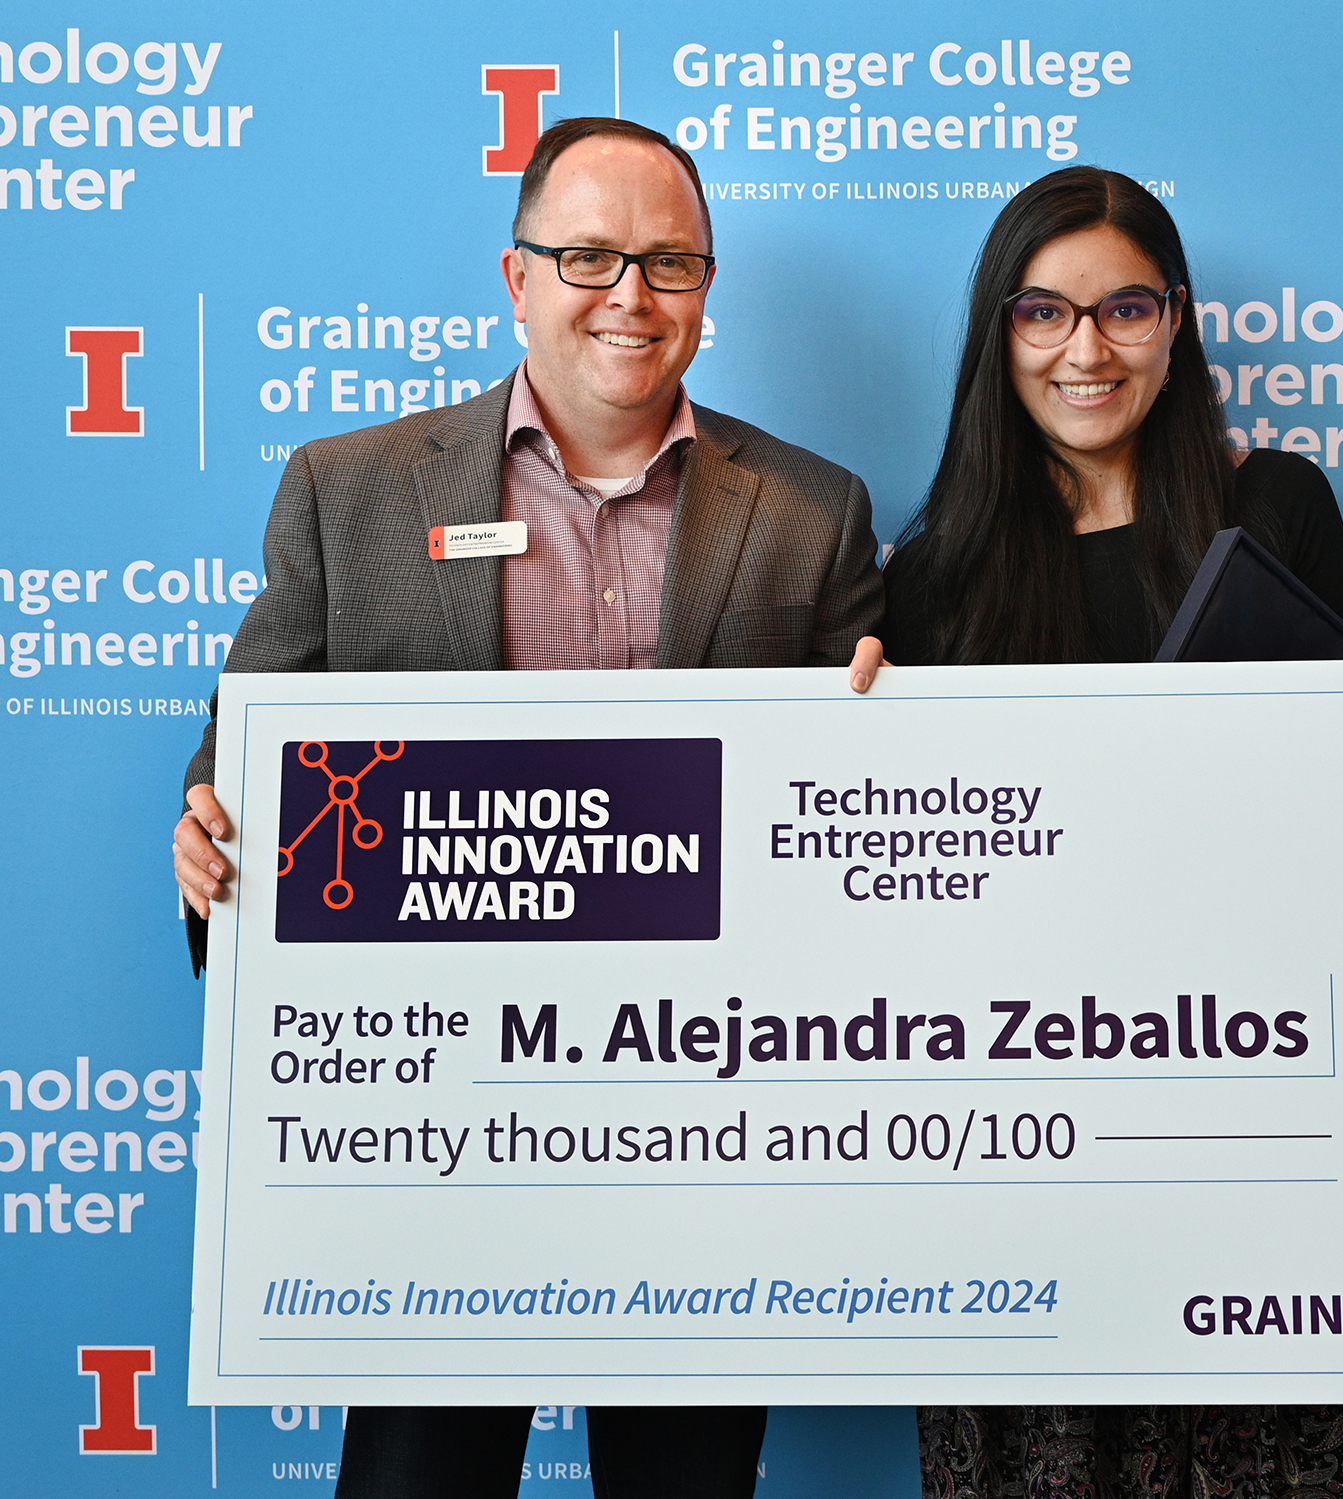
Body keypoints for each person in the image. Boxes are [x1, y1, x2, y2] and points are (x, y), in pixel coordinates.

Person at [172, 116, 883, 1499]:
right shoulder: (353, 489)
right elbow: (249, 762)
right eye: (590, 256)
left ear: (707, 283)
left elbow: (851, 843)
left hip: (704, 1119)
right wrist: (213, 836)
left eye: (669, 262)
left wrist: (876, 739)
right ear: (516, 278)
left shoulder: (812, 511)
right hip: (442, 1119)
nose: (631, 296)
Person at [848, 166, 1343, 1498]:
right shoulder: (930, 578)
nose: (1085, 351)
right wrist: (843, 756)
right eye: (1043, 314)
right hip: (1026, 1158)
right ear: (999, 338)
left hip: (1269, 1139)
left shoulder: (1275, 509)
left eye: (1126, 310)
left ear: (1179, 323)